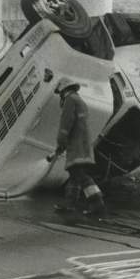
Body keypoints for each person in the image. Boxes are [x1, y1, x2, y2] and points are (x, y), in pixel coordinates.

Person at [52, 80, 107, 218]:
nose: (60, 96)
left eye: (60, 93)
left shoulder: (70, 100)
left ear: (63, 90)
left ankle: (97, 203)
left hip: (77, 145)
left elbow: (65, 124)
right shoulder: (79, 100)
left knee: (80, 175)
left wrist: (61, 142)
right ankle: (70, 205)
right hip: (82, 143)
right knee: (74, 175)